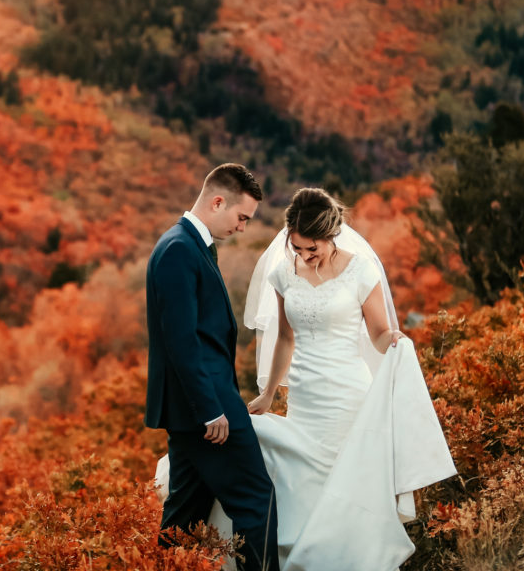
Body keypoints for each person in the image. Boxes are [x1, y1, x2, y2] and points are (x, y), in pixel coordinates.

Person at [241, 187, 456, 570]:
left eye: (312, 248)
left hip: (348, 393)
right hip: (306, 397)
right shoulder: (283, 273)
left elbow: (376, 331)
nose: (304, 256)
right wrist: (269, 393)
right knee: (305, 482)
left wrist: (392, 339)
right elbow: (286, 339)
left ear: (330, 235)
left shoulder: (361, 271)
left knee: (349, 480)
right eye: (298, 248)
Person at [145, 163, 280, 571]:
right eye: (241, 217)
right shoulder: (178, 250)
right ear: (217, 201)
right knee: (257, 499)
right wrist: (210, 408)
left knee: (184, 517)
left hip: (197, 406)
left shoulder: (191, 244)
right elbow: (181, 341)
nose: (243, 227)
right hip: (206, 409)